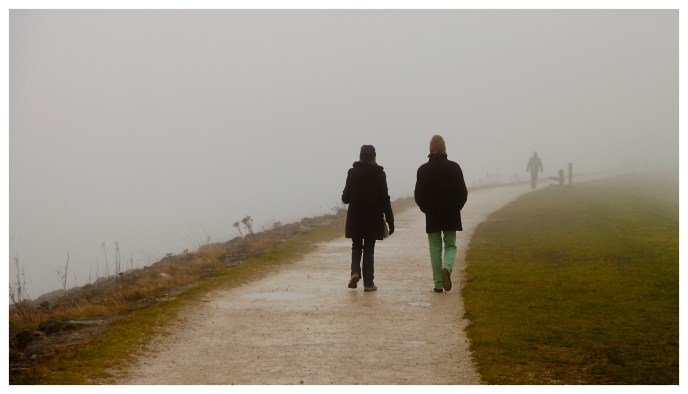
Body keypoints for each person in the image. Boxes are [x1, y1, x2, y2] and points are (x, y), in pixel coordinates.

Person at [414, 135, 468, 293]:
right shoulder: (455, 167)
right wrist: (456, 207)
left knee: (435, 249)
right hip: (451, 212)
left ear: (430, 150)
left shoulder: (423, 170)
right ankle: (447, 268)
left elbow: (419, 196)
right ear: (445, 149)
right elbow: (463, 193)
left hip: (432, 214)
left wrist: (427, 209)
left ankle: (438, 284)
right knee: (450, 245)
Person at [342, 145, 394, 292]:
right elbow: (385, 199)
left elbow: (345, 199)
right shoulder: (380, 174)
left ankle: (355, 272)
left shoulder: (352, 173)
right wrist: (391, 221)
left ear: (360, 156)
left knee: (356, 245)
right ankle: (369, 283)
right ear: (374, 157)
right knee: (369, 248)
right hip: (373, 218)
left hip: (356, 218)